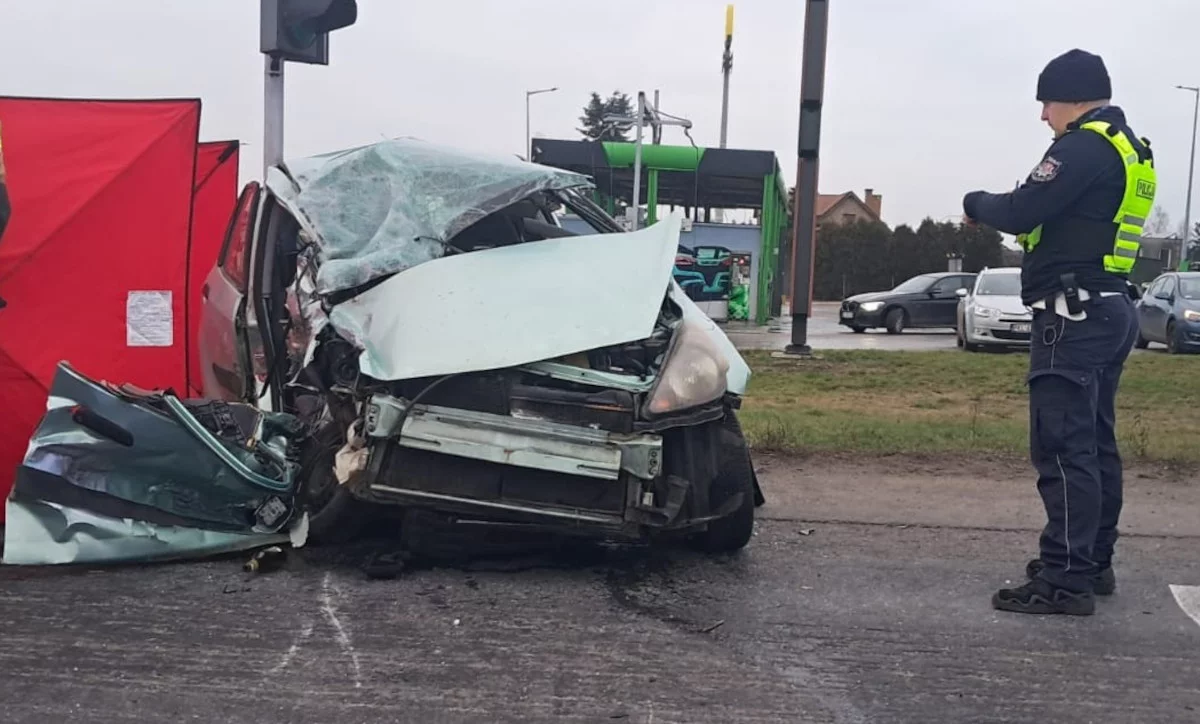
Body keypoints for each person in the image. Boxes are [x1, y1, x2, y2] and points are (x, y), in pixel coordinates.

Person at [961, 49, 1155, 616]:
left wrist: (975, 202)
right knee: (1095, 444)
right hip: (1110, 307)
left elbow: (1023, 210)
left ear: (1071, 98)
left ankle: (1063, 579)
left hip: (1072, 314)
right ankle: (1091, 562)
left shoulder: (1084, 145)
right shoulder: (1130, 148)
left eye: (1046, 102)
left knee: (1064, 446)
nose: (1043, 115)